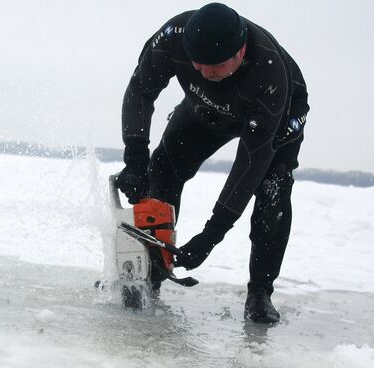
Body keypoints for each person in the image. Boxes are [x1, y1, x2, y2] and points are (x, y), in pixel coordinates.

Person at [114, 3, 309, 323]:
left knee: (272, 191)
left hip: (278, 115)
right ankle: (152, 269)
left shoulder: (268, 74)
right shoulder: (172, 38)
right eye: (197, 64)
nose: (204, 72)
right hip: (204, 107)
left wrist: (210, 236)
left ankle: (260, 292)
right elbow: (140, 91)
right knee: (161, 170)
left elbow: (248, 167)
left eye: (214, 66)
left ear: (240, 51)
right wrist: (135, 159)